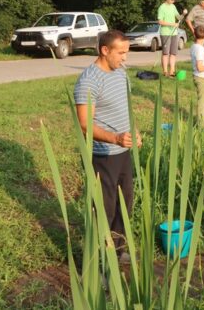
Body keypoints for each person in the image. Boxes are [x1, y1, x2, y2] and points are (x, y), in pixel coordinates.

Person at [74, 30, 141, 260]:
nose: (125, 58)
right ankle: (99, 262)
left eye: (126, 52)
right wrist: (115, 138)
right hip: (102, 155)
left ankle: (118, 252)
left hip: (123, 152)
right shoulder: (88, 81)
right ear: (105, 50)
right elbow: (84, 125)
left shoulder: (121, 72)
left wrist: (134, 132)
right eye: (121, 53)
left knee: (125, 203)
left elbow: (126, 107)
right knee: (104, 208)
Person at [157, 0, 184, 77]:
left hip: (174, 33)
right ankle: (165, 72)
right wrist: (172, 24)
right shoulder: (162, 7)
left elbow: (179, 17)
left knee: (173, 53)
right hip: (165, 33)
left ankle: (172, 71)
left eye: (174, 0)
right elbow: (160, 21)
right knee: (165, 53)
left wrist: (183, 14)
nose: (173, 1)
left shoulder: (173, 6)